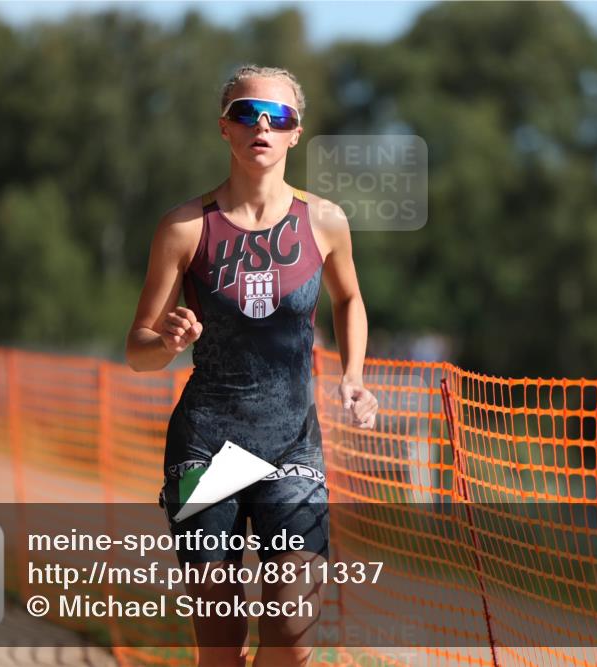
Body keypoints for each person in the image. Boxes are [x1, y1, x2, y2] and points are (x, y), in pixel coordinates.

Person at [126, 64, 378, 667]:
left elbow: (349, 298)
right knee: (220, 639)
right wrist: (165, 343)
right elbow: (136, 348)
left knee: (293, 628)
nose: (262, 125)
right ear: (224, 129)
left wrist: (353, 377)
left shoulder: (325, 221)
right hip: (204, 445)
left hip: (293, 443)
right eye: (247, 114)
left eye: (279, 117)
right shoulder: (185, 227)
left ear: (295, 134)